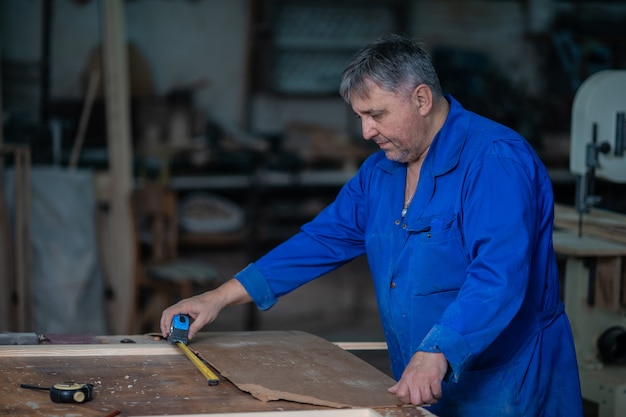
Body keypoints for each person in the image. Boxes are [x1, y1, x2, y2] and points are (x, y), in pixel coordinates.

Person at [161, 34, 583, 417]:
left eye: (376, 114)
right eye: (360, 116)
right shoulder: (381, 171)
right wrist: (218, 297)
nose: (366, 131)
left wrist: (438, 350)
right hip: (424, 376)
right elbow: (321, 240)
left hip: (505, 381)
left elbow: (499, 275)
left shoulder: (494, 160)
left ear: (421, 99)